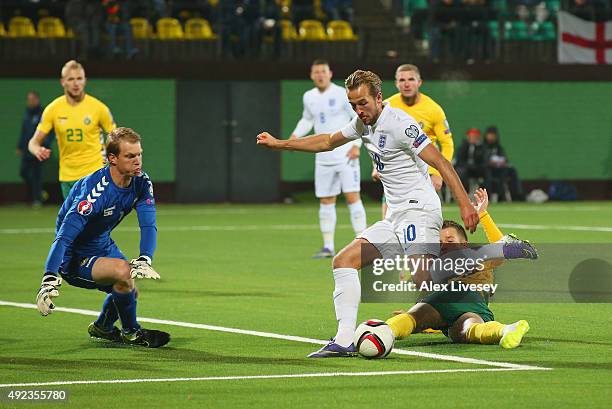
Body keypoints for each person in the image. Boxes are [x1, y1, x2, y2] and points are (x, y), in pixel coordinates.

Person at [258, 69, 482, 357]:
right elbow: (327, 140)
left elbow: (440, 161)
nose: (358, 110)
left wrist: (464, 204)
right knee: (343, 261)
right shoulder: (364, 123)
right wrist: (281, 143)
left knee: (423, 279)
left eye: (362, 103)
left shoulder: (401, 123)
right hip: (395, 215)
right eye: (353, 105)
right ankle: (343, 340)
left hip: (420, 209)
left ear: (378, 97)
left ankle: (482, 263)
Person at [35, 127, 170, 348]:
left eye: (139, 154)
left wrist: (145, 258)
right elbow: (64, 238)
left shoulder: (141, 183)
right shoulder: (94, 192)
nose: (137, 161)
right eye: (130, 156)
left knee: (128, 290)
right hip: (73, 256)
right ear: (112, 159)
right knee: (123, 273)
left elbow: (148, 224)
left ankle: (103, 328)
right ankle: (131, 333)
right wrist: (49, 277)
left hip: (102, 244)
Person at [386, 188, 531, 349]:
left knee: (416, 319)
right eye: (439, 242)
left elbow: (500, 250)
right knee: (465, 330)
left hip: (460, 296)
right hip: (471, 304)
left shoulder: (469, 255)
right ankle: (505, 329)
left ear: (463, 243)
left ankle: (380, 332)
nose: (444, 244)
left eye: (449, 239)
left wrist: (483, 215)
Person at [290, 60, 366, 258]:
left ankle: (362, 243)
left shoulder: (342, 93)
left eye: (323, 71)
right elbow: (307, 119)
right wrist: (296, 136)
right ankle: (328, 247)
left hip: (346, 153)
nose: (320, 75)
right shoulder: (309, 96)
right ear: (312, 75)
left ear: (330, 73)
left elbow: (358, 117)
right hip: (323, 155)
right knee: (326, 200)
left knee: (352, 197)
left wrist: (357, 146)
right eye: (316, 72)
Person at [28, 60, 117, 199]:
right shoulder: (53, 109)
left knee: (90, 218)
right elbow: (33, 142)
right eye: (71, 79)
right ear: (63, 82)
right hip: (67, 177)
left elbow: (116, 137)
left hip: (94, 173)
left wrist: (111, 159)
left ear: (85, 81)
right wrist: (37, 150)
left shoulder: (99, 108)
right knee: (74, 220)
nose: (76, 83)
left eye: (79, 78)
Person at [377, 63, 454, 217]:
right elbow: (378, 139)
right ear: (396, 83)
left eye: (411, 79)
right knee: (389, 220)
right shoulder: (387, 107)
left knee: (427, 218)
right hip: (396, 171)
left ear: (419, 82)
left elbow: (447, 144)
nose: (406, 84)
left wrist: (438, 173)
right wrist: (376, 164)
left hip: (424, 173)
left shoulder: (433, 109)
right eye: (402, 80)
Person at [16, 91, 54, 207]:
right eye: (29, 99)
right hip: (28, 150)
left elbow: (50, 132)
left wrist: (45, 144)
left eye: (32, 99)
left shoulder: (43, 113)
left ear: (37, 99)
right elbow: (24, 131)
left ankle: (37, 199)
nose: (30, 102)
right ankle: (37, 193)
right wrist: (19, 146)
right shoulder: (27, 113)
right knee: (23, 172)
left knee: (37, 175)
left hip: (39, 150)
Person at [482, 126, 524, 202]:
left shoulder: (498, 147)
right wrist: (489, 162)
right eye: (490, 135)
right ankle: (491, 197)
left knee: (512, 171)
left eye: (493, 135)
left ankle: (517, 195)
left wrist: (502, 162)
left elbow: (505, 159)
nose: (491, 137)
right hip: (486, 169)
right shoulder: (482, 147)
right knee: (487, 172)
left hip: (499, 169)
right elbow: (481, 160)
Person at [454, 127, 485, 193]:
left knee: (487, 172)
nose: (472, 138)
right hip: (466, 168)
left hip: (477, 169)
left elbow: (483, 160)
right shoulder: (463, 146)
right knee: (461, 172)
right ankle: (464, 193)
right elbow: (459, 160)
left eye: (474, 136)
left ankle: (485, 194)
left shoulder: (482, 147)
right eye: (470, 136)